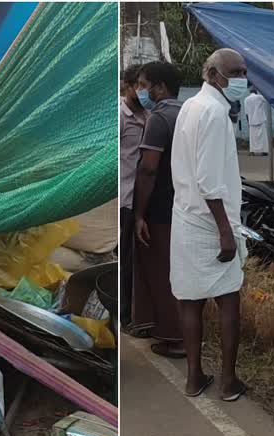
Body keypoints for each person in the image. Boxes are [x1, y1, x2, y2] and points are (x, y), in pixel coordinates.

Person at [170, 48, 249, 400]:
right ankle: (228, 381)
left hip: (186, 217)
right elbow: (208, 180)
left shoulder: (190, 106)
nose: (242, 80)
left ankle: (193, 378)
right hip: (210, 221)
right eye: (237, 72)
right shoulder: (215, 113)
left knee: (190, 300)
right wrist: (225, 231)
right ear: (215, 74)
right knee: (228, 299)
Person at [131, 61, 185, 357]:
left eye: (143, 84)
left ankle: (173, 338)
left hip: (161, 207)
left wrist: (139, 213)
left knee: (161, 271)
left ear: (160, 87)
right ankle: (178, 333)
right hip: (186, 206)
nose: (141, 90)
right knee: (178, 271)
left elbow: (148, 169)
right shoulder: (189, 113)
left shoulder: (159, 118)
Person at [119, 65, 148, 330]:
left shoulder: (150, 114)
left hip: (144, 200)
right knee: (126, 262)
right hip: (125, 200)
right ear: (126, 86)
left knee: (140, 261)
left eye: (145, 85)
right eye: (137, 86)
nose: (142, 91)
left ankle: (138, 313)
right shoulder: (119, 115)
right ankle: (124, 315)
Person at [243, 86, 269, 156]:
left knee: (253, 138)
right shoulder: (259, 97)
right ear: (256, 91)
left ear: (250, 92)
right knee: (263, 136)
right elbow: (266, 99)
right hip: (260, 119)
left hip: (251, 120)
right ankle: (264, 151)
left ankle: (252, 151)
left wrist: (248, 122)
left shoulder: (246, 99)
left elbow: (246, 112)